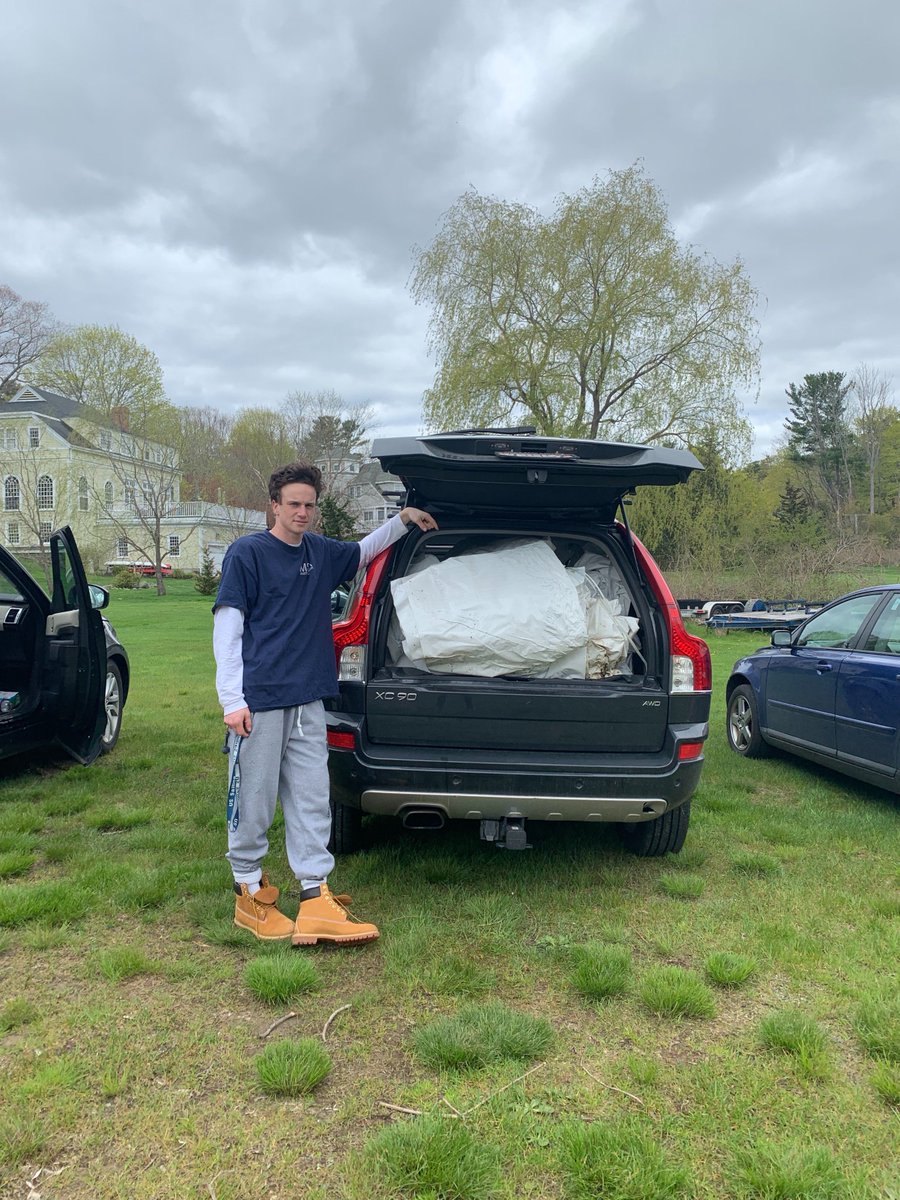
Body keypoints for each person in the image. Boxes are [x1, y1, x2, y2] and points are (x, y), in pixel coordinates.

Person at [213, 461, 437, 945]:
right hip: (261, 699)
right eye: (293, 504)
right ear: (273, 505)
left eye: (309, 505)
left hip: (309, 696)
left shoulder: (319, 551)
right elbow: (227, 629)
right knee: (254, 797)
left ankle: (315, 896)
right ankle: (248, 891)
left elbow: (363, 550)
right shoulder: (247, 553)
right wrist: (232, 700)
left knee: (313, 795)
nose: (302, 513)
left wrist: (404, 519)